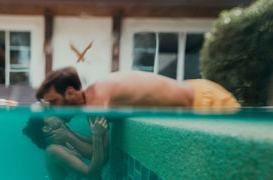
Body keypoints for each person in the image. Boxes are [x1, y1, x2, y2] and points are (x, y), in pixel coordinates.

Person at [35, 66, 241, 108]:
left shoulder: (97, 100)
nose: (52, 108)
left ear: (70, 92)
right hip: (198, 92)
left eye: (53, 102)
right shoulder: (96, 94)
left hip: (206, 101)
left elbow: (100, 156)